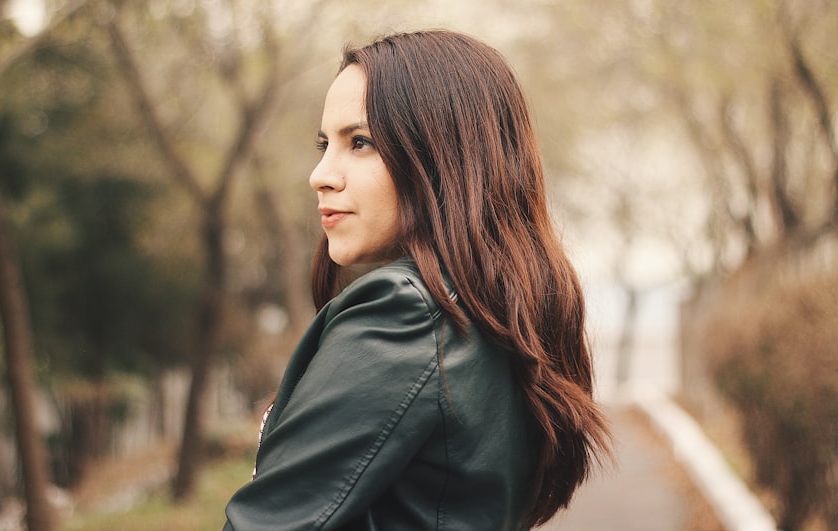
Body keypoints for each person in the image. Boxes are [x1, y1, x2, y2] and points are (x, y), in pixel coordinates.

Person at [223, 30, 610, 530]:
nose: (321, 174)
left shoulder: (405, 316)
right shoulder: (499, 313)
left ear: (442, 156)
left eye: (359, 142)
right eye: (325, 144)